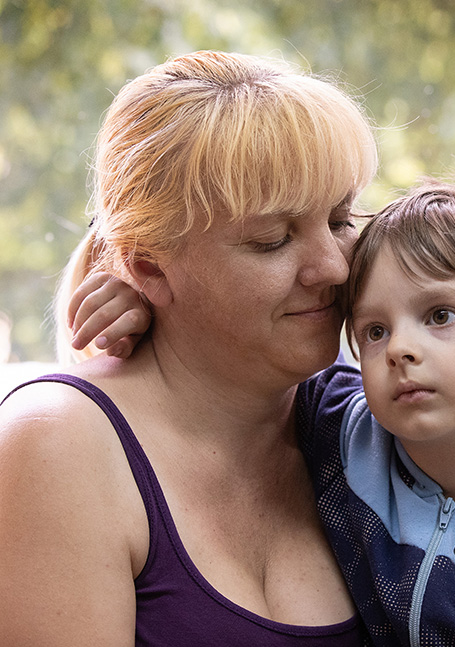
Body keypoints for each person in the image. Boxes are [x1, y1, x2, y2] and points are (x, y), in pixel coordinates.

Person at [66, 180, 455, 646]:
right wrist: (151, 300)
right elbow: (219, 349)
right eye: (375, 330)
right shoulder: (350, 431)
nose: (402, 349)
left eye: (440, 315)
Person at [0, 50, 379, 646]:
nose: (332, 268)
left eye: (339, 220)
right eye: (271, 241)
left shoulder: (362, 421)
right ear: (147, 264)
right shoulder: (58, 445)